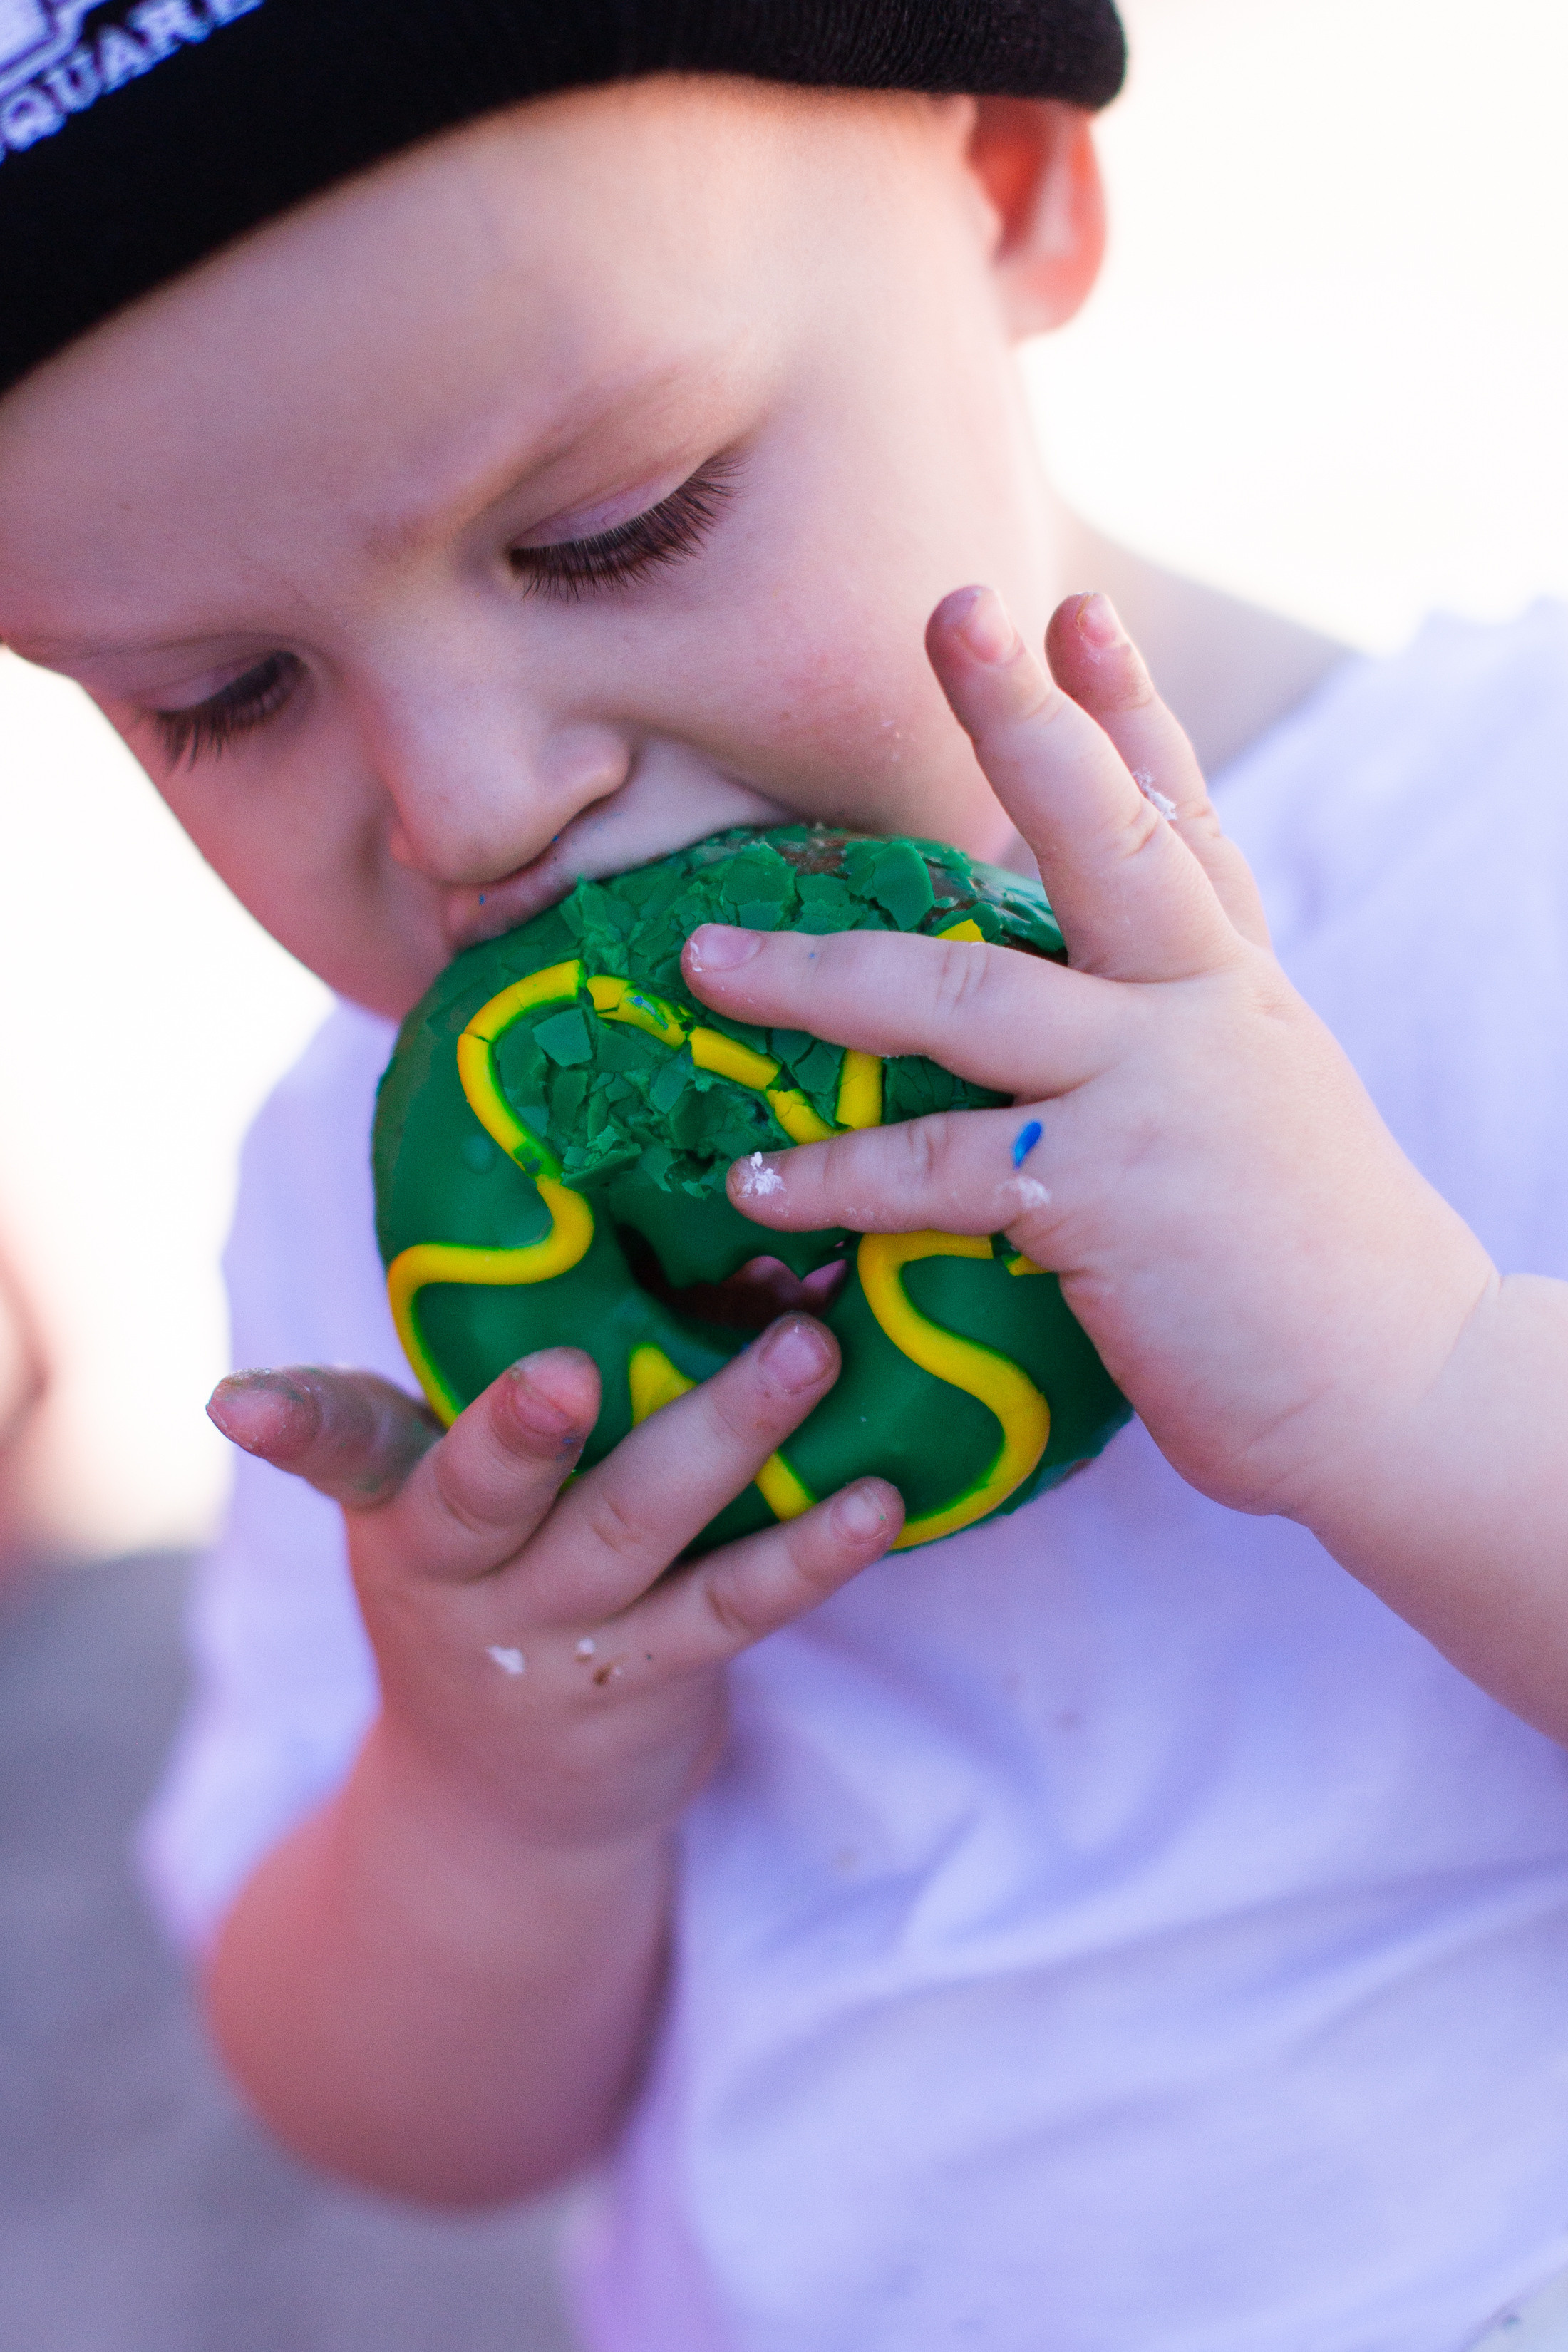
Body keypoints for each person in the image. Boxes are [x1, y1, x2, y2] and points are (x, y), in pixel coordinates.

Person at [2, 4, 1567, 2346]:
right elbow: (407, 2115)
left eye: (609, 528)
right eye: (225, 692)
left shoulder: (1508, 855)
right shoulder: (373, 1204)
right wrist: (499, 1786)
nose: (470, 801)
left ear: (1012, 179)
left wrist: (1425, 1370)